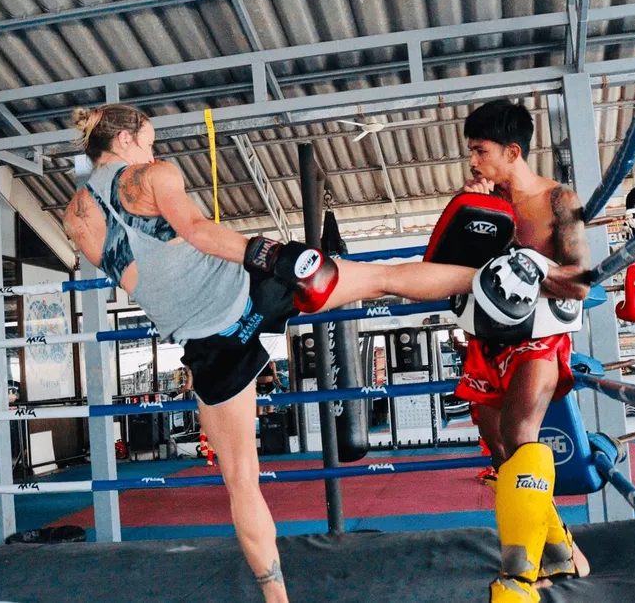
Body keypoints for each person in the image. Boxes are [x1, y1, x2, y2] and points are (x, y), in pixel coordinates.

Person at [63, 104, 483, 603]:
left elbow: (135, 278)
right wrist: (273, 254)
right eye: (149, 141)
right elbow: (197, 232)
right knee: (383, 277)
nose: (154, 149)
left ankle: (277, 601)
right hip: (250, 292)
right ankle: (502, 281)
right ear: (128, 140)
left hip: (207, 345)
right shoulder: (153, 174)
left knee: (242, 481)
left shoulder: (75, 218)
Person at [449, 99, 594, 602]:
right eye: (471, 150)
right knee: (501, 449)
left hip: (540, 337)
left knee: (519, 431)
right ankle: (560, 552)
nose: (474, 161)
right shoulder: (481, 202)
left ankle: (517, 580)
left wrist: (536, 269)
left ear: (513, 151)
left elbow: (580, 283)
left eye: (481, 151)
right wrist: (469, 213)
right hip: (486, 344)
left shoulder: (558, 201)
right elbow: (453, 271)